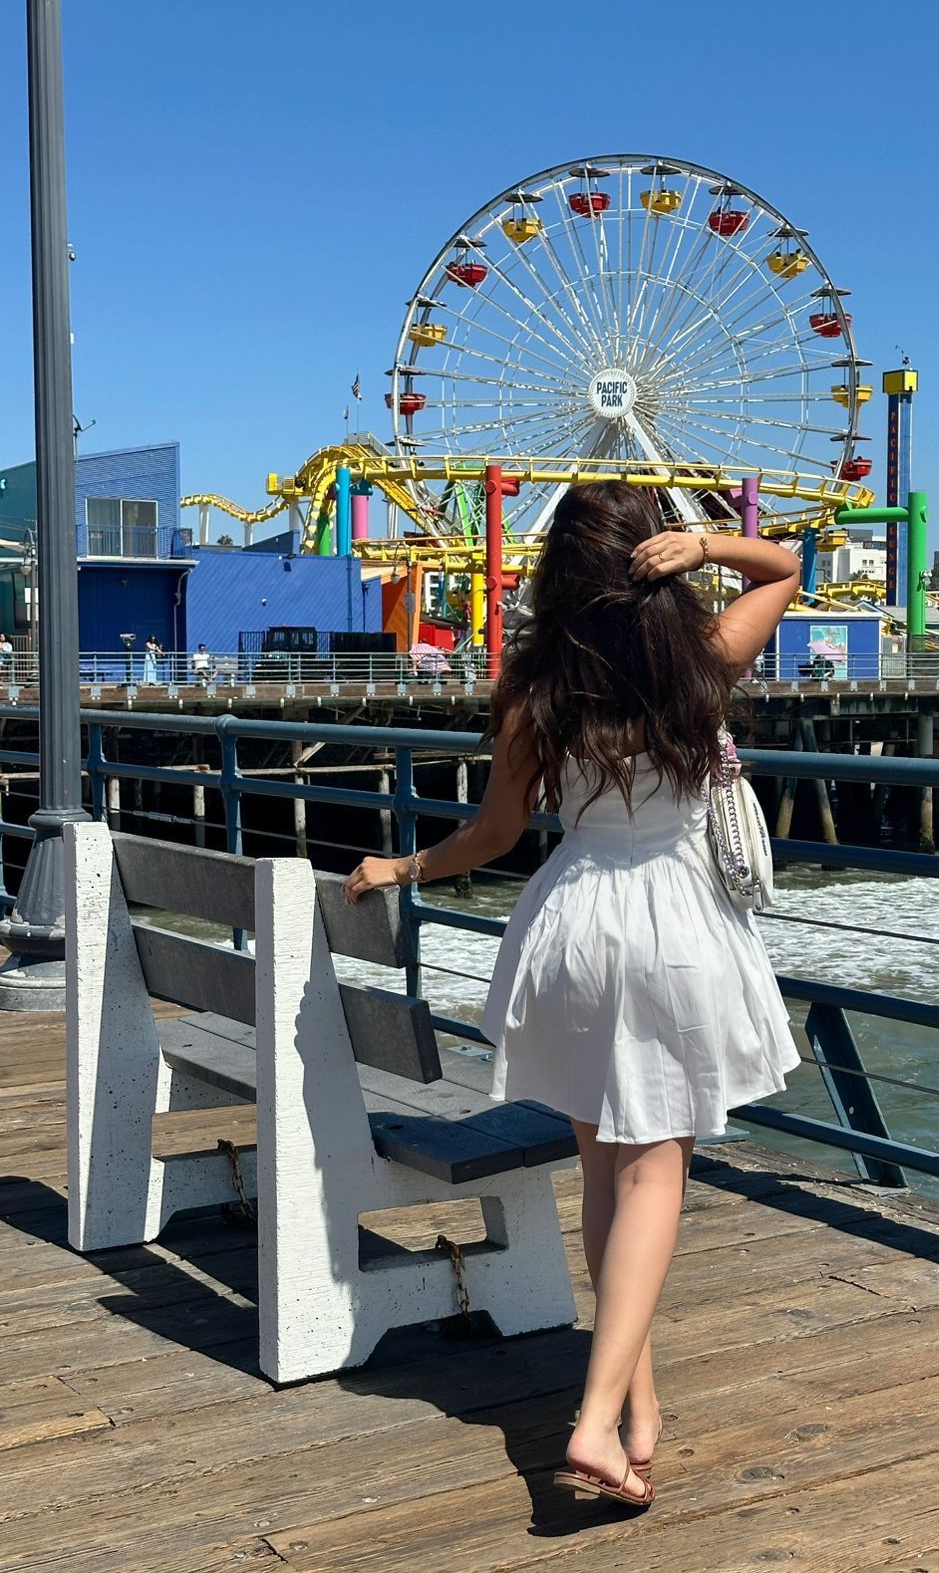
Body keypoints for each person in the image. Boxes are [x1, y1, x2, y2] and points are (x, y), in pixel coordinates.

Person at [345, 482, 802, 1511]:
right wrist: (711, 543)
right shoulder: (705, 661)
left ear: (561, 573)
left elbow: (496, 836)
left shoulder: (533, 685)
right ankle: (594, 1421)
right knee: (656, 1177)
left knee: (604, 1172)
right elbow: (787, 570)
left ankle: (639, 1412)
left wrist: (402, 867)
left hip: (571, 924)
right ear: (659, 558)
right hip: (672, 925)